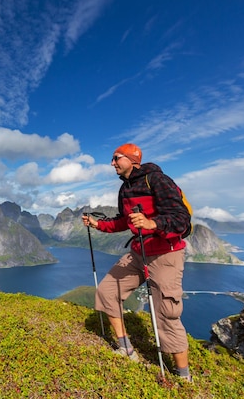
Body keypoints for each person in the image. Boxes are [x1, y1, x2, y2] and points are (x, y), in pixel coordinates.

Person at [82, 143, 192, 382]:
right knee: (106, 291)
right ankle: (126, 348)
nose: (112, 163)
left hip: (165, 253)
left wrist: (153, 223)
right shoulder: (125, 189)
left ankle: (183, 376)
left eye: (116, 158)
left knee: (167, 312)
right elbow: (124, 221)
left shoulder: (158, 180)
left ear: (132, 159)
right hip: (138, 252)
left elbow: (181, 219)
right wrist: (97, 224)